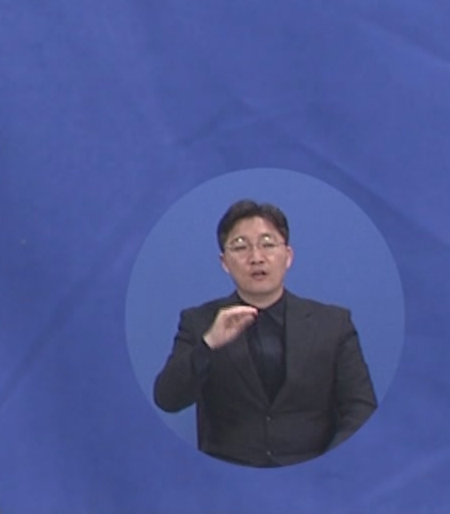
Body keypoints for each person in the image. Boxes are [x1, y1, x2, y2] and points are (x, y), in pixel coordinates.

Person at [152, 199, 377, 468]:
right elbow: (168, 399)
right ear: (224, 262)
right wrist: (209, 344)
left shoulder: (332, 323)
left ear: (288, 256)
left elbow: (361, 407)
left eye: (268, 244)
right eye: (240, 247)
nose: (256, 257)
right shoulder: (199, 321)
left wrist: (327, 468)